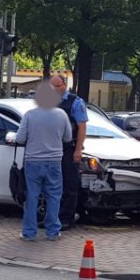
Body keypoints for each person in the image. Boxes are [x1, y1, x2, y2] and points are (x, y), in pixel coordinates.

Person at [14, 80, 73, 241]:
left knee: (32, 197)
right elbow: (68, 138)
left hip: (33, 161)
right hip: (54, 161)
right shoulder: (61, 115)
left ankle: (29, 233)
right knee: (54, 196)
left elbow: (19, 138)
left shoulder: (30, 115)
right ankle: (53, 231)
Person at [49, 75, 88, 227]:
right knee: (51, 185)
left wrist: (78, 149)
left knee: (69, 185)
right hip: (51, 148)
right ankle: (51, 218)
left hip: (68, 148)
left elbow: (82, 128)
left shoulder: (75, 102)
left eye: (57, 86)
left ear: (64, 85)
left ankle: (67, 218)